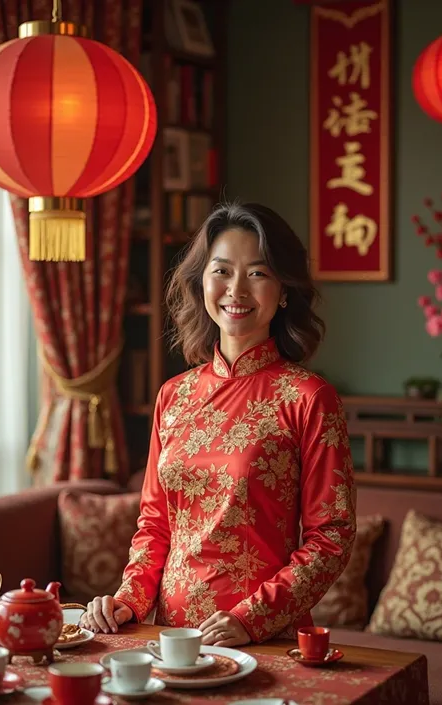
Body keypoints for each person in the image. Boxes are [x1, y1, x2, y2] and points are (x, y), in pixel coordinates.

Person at [81, 202, 356, 646]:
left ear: (284, 289)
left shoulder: (309, 398)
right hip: (172, 637)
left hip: (264, 635)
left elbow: (332, 537)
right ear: (202, 282)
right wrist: (128, 600)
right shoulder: (174, 396)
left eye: (258, 273)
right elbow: (155, 522)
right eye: (222, 271)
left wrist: (251, 618)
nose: (237, 290)